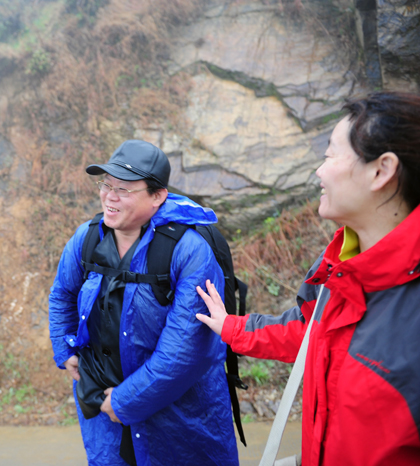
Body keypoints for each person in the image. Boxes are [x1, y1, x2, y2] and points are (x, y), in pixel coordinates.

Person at [196, 92, 420, 465]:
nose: (319, 171)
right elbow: (307, 333)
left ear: (381, 170)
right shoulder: (337, 271)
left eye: (330, 155)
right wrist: (229, 327)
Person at [48, 140, 239, 466]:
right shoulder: (88, 238)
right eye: (106, 185)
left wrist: (124, 401)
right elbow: (62, 294)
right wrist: (65, 349)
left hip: (180, 419)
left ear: (157, 196)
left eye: (123, 189)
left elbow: (185, 352)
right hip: (103, 412)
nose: (110, 196)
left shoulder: (188, 251)